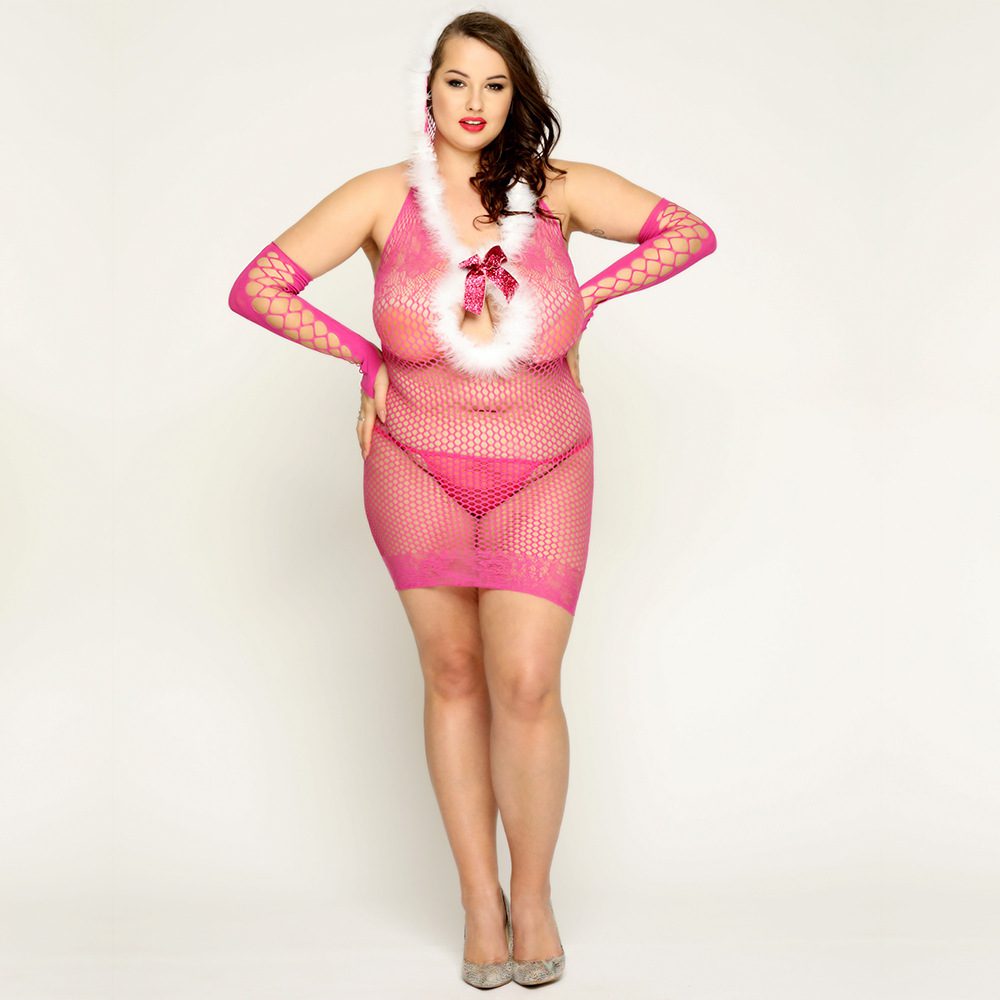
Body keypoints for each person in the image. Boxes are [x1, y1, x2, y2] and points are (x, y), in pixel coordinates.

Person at [228, 10, 717, 989]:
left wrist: (593, 296)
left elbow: (688, 233)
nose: (474, 102)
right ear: (430, 88)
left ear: (516, 96)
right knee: (452, 672)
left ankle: (532, 895)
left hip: (546, 466)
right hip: (415, 467)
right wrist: (363, 356)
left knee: (525, 682)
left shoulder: (560, 191)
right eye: (457, 80)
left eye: (495, 85)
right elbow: (261, 286)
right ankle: (477, 902)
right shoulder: (381, 197)